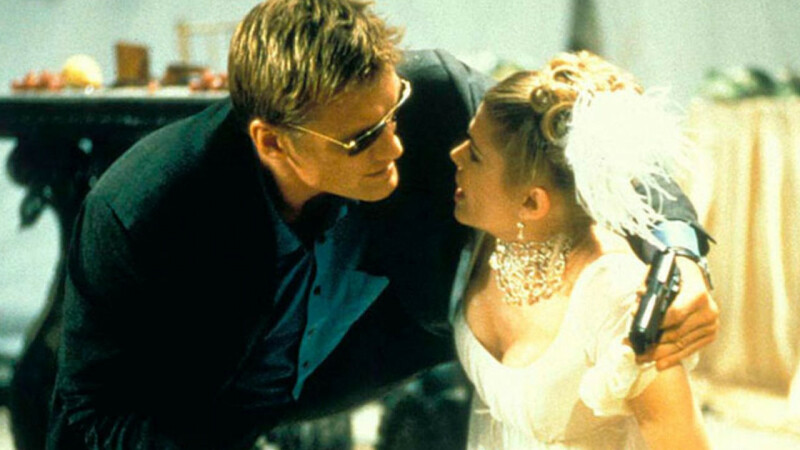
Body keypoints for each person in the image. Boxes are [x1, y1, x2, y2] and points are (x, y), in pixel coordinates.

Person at [46, 1, 716, 448]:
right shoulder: (140, 210)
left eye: (393, 111)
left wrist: (678, 255)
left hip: (374, 367)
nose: (396, 146)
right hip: (200, 416)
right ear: (273, 142)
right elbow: (90, 409)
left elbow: (591, 140)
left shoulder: (435, 101)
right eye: (362, 138)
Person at [450, 51, 711, 449]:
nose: (454, 156)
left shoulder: (617, 296)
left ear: (531, 203)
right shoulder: (488, 236)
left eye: (474, 154)